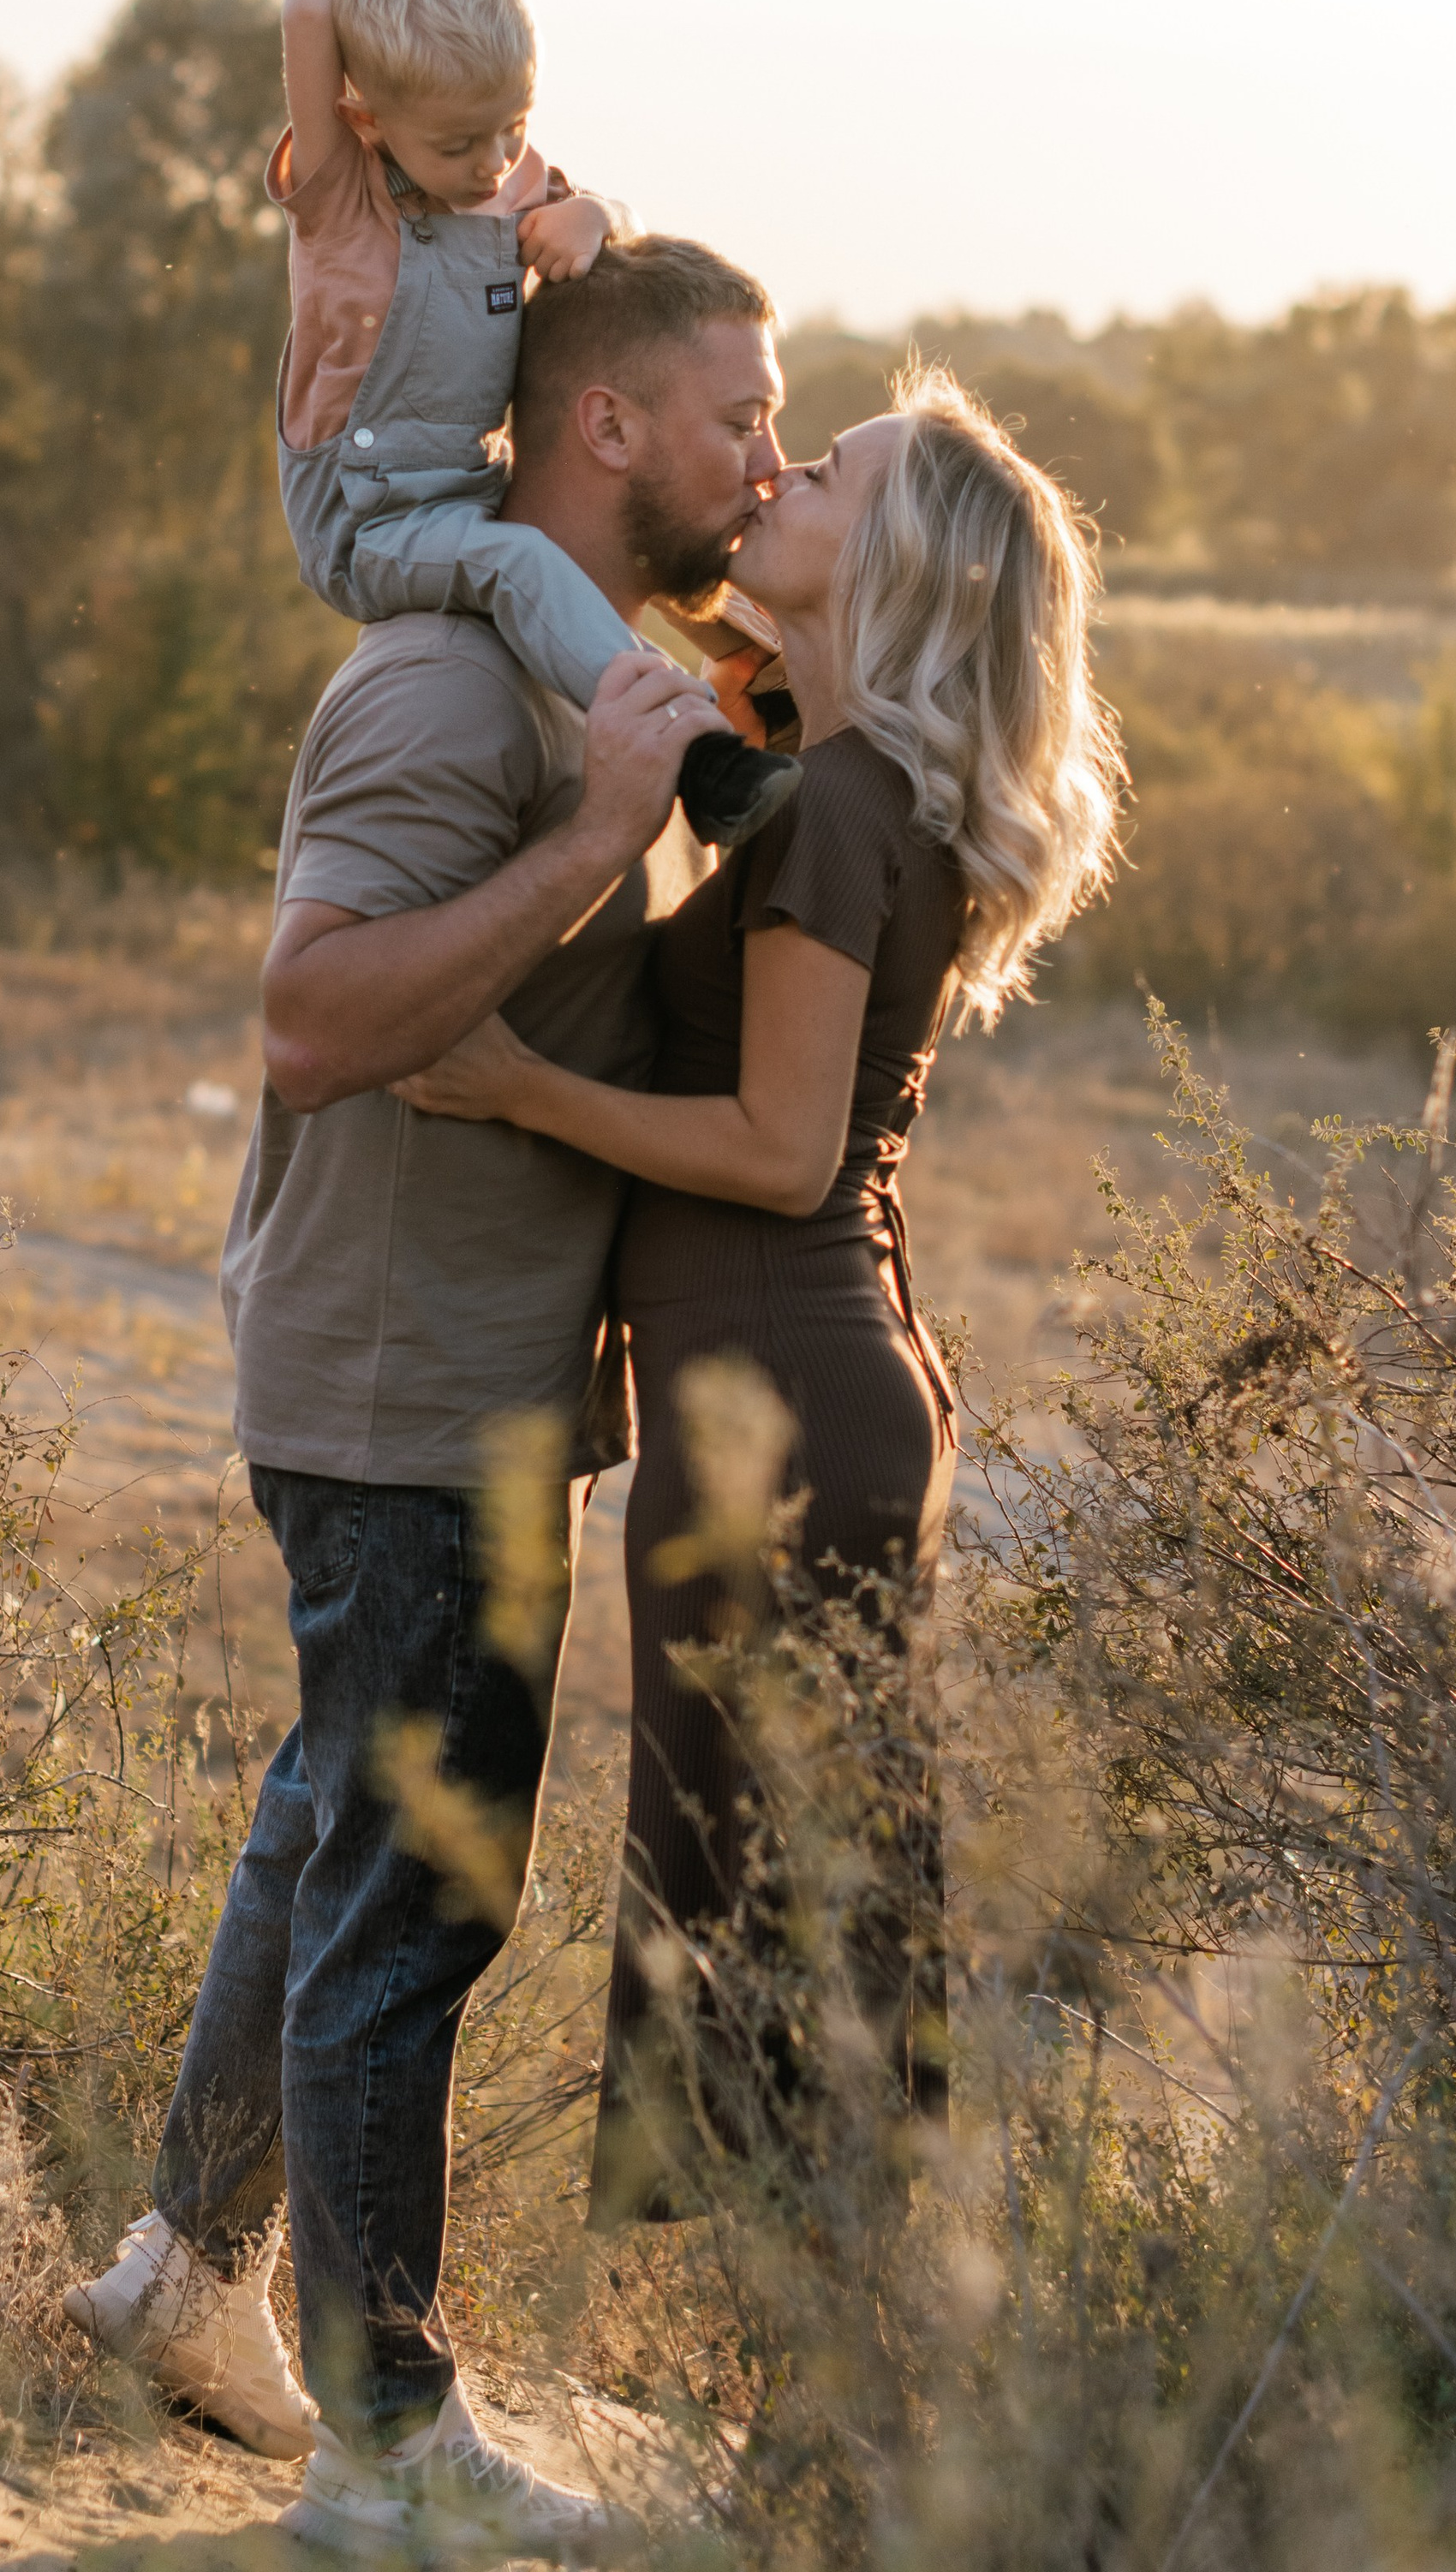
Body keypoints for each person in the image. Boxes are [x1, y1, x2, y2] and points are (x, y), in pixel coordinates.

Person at [66, 236, 786, 2560]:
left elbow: (655, 397)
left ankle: (186, 2274)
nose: (764, 457)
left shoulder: (580, 660)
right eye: (736, 419)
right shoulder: (452, 701)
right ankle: (392, 2449)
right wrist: (595, 843)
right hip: (401, 1393)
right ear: (605, 431)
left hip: (447, 1374)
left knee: (329, 1827)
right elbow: (309, 1015)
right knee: (420, 1900)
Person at [395, 366, 1124, 2217]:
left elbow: (778, 1151)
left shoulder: (830, 812)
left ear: (894, 575)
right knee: (811, 1893)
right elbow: (664, 573)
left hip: (777, 1400)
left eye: (828, 473)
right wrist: (576, 260)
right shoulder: (841, 775)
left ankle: (832, 2391)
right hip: (820, 1382)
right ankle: (855, 2389)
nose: (778, 469)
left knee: (769, 1908)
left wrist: (519, 1086)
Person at [270, 0, 797, 850]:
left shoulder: (508, 179)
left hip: (468, 487)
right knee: (522, 562)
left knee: (633, 527)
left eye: (511, 128)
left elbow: (605, 216)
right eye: (458, 143)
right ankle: (699, 765)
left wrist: (592, 213)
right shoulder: (338, 197)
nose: (492, 164)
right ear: (367, 120)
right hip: (368, 519)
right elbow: (310, 14)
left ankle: (775, 671)